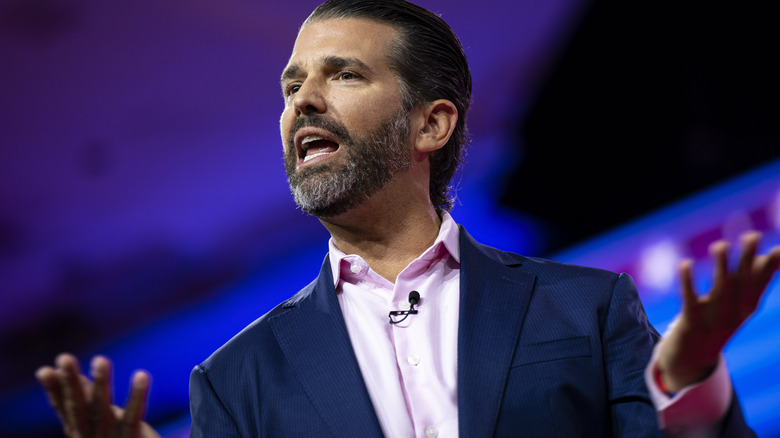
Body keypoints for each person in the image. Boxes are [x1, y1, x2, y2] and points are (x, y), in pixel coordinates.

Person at [36, 0, 780, 437]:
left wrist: (687, 373)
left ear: (432, 125)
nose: (303, 101)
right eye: (293, 85)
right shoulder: (238, 382)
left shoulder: (584, 310)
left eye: (344, 75)